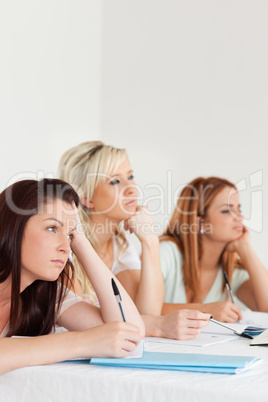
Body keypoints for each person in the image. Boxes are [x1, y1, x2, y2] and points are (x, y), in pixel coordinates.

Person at [58, 141, 210, 339]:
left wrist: (150, 242)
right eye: (115, 181)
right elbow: (87, 326)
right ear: (86, 198)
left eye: (130, 176)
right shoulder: (64, 246)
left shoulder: (119, 244)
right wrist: (159, 325)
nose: (131, 188)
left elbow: (146, 311)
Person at [0, 178, 145, 375]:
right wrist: (83, 342)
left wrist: (81, 241)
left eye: (69, 235)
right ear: (14, 227)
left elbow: (130, 335)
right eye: (52, 228)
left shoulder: (46, 293)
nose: (65, 247)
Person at [160, 176, 268, 322]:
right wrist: (204, 310)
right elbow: (142, 309)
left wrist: (245, 248)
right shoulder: (166, 252)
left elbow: (266, 307)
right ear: (200, 222)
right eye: (226, 211)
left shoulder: (231, 269)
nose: (240, 217)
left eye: (239, 209)